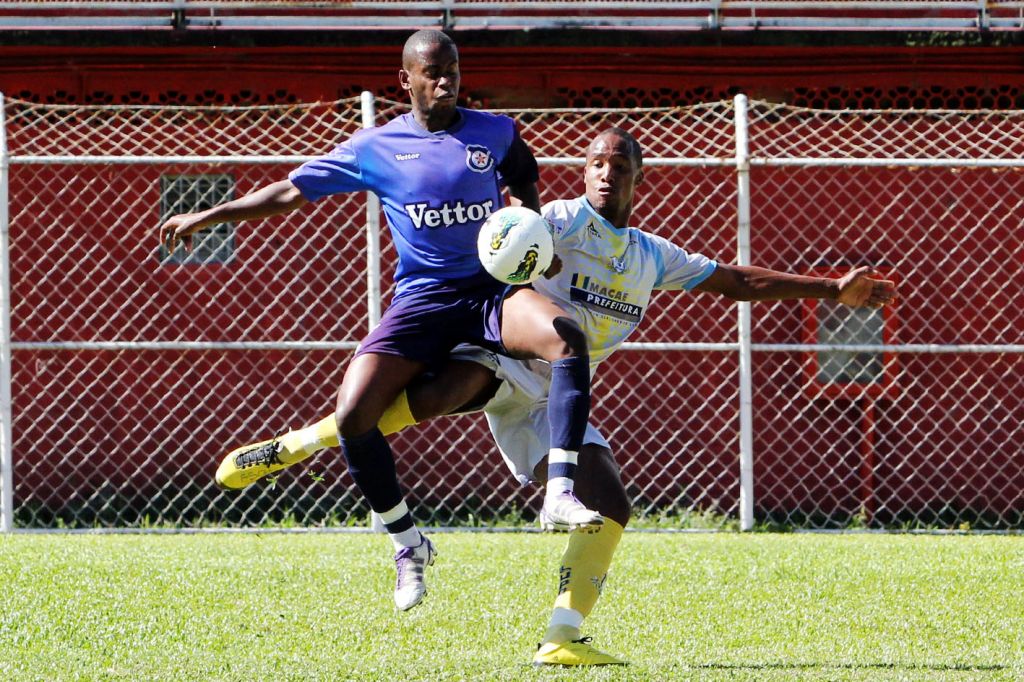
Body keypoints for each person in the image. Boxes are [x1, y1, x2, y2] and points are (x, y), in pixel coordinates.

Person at [214, 127, 897, 666]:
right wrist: (504, 223)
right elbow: (508, 223)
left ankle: (562, 637)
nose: (605, 172)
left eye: (618, 164)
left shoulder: (651, 257)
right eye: (596, 162)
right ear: (584, 171)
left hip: (556, 400)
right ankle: (298, 444)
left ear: (637, 175)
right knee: (455, 386)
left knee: (614, 507)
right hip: (507, 354)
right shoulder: (561, 220)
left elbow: (735, 283)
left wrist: (829, 288)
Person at [158, 29, 605, 613]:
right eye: (433, 72)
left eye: (453, 70)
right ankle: (407, 543)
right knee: (353, 415)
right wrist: (212, 213)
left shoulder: (493, 130)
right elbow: (291, 191)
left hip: (491, 294)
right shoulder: (376, 147)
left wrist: (524, 219)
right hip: (422, 300)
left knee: (567, 340)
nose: (446, 81)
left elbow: (524, 173)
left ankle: (560, 493)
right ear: (406, 80)